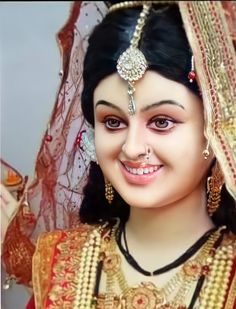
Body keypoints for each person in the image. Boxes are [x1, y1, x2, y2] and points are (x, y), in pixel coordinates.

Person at [2, 1, 236, 309]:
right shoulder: (59, 262)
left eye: (161, 122)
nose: (132, 147)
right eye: (113, 122)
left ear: (216, 127)